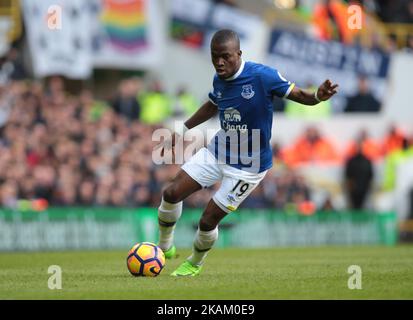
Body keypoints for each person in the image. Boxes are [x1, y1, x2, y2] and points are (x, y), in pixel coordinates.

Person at [155, 29, 338, 276]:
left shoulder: (262, 76)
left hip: (249, 166)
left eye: (225, 56)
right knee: (171, 192)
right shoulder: (220, 78)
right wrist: (184, 127)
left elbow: (298, 95)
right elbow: (213, 104)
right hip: (220, 150)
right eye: (214, 56)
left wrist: (317, 96)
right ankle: (164, 247)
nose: (219, 62)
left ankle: (194, 263)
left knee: (208, 220)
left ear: (239, 54)